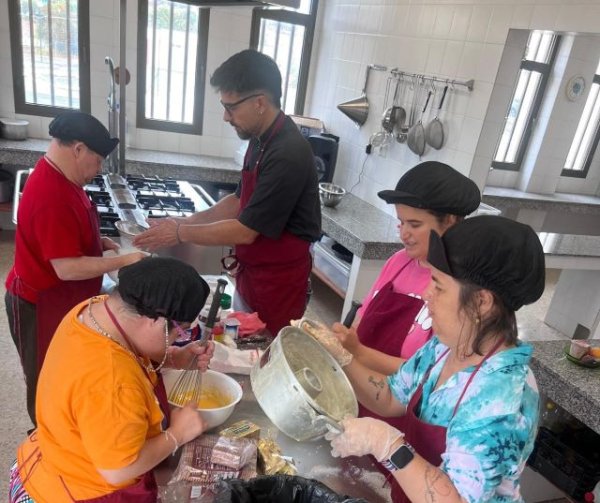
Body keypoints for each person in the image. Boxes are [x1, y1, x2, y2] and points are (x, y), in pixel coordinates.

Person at [321, 216, 545, 502]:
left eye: (438, 286)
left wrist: (386, 445)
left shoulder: (501, 397)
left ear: (480, 303)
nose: (427, 294)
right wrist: (343, 358)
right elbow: (391, 396)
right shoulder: (447, 346)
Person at [133, 49, 321, 336]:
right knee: (238, 342)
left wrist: (180, 234)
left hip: (278, 286)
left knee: (261, 357)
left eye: (230, 107)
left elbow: (246, 231)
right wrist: (184, 221)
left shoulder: (288, 152)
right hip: (254, 276)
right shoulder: (260, 139)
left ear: (259, 102)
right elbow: (236, 202)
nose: (225, 116)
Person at [9, 257, 215, 502]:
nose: (178, 338)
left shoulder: (94, 310)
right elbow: (118, 471)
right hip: (80, 491)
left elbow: (125, 349)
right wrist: (177, 434)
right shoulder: (113, 380)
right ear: (154, 320)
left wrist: (173, 358)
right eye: (180, 331)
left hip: (52, 455)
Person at [4, 111, 146, 425]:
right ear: (78, 149)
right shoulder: (50, 193)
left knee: (66, 369)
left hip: (60, 301)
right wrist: (123, 260)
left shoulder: (64, 178)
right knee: (46, 378)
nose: (97, 171)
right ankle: (46, 444)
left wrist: (99, 241)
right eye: (97, 162)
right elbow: (66, 268)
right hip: (38, 304)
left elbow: (69, 236)